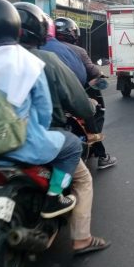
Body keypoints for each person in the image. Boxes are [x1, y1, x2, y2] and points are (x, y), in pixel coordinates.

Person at [0, 0, 81, 218]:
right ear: (14, 27)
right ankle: (54, 197)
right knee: (73, 146)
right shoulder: (29, 62)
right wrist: (39, 131)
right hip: (24, 142)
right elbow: (43, 110)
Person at [14, 2, 110, 255]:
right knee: (82, 177)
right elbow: (77, 97)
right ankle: (81, 239)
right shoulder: (49, 58)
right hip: (41, 136)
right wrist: (88, 110)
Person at [54, 17, 117, 170]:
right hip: (74, 93)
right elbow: (93, 71)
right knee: (90, 113)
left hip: (51, 98)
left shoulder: (40, 49)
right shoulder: (77, 51)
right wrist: (99, 74)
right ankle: (102, 156)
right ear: (72, 33)